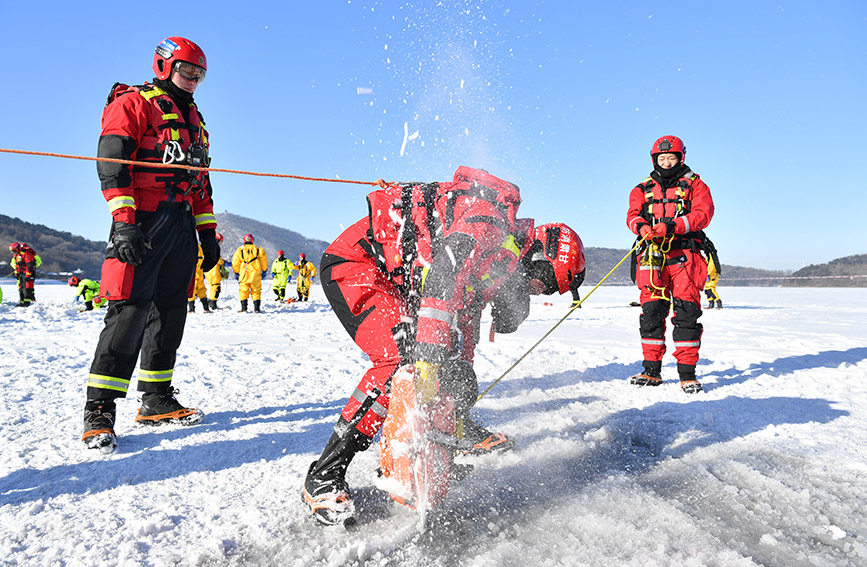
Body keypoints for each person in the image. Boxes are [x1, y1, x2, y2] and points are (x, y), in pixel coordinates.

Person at [302, 166, 585, 525]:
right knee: (399, 361)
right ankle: (323, 475)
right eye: (544, 283)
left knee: (437, 359)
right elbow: (443, 275)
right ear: (541, 256)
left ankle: (438, 444)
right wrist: (432, 354)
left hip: (392, 281)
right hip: (358, 264)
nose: (536, 291)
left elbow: (463, 318)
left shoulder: (499, 261)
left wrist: (458, 379)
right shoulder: (489, 224)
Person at [81, 36, 219, 454]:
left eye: (199, 75)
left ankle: (156, 398)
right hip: (141, 222)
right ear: (164, 66)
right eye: (186, 71)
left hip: (180, 225)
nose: (193, 80)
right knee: (129, 312)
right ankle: (99, 409)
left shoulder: (194, 118)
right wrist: (123, 224)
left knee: (172, 311)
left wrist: (207, 233)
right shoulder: (134, 103)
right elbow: (112, 160)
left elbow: (200, 184)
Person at [626, 135, 714, 394]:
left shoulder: (696, 186)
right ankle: (651, 371)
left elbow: (703, 214)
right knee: (651, 312)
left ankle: (687, 374)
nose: (666, 163)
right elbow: (632, 215)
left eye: (671, 158)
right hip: (652, 257)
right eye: (661, 158)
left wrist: (673, 226)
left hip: (685, 255)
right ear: (655, 160)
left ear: (680, 158)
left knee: (686, 313)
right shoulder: (641, 189)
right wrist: (642, 227)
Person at [232, 233, 268, 313]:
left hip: (244, 274)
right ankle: (257, 309)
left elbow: (235, 261)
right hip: (255, 274)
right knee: (256, 291)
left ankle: (244, 308)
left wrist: (236, 272)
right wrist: (264, 270)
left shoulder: (240, 250)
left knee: (243, 291)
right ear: (252, 240)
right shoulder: (259, 250)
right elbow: (264, 261)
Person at [9, 242, 41, 307]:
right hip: (21, 273)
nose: (13, 252)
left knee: (27, 287)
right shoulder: (17, 254)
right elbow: (17, 264)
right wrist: (16, 272)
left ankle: (26, 303)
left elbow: (30, 265)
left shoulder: (26, 254)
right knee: (21, 287)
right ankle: (22, 301)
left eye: (14, 251)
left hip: (27, 273)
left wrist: (28, 275)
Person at [204, 232, 226, 310]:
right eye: (220, 241)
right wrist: (224, 262)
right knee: (216, 287)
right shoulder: (214, 248)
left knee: (213, 287)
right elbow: (217, 259)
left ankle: (211, 302)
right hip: (213, 272)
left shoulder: (208, 247)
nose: (220, 243)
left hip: (209, 272)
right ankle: (213, 304)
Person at [187, 243, 210, 313]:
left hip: (192, 266)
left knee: (192, 288)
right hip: (199, 268)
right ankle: (206, 307)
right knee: (201, 288)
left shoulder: (188, 244)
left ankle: (191, 308)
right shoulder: (198, 245)